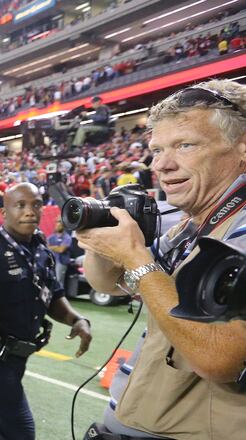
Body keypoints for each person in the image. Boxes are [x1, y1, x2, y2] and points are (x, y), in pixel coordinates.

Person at [78, 79, 246, 439]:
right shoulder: (189, 224)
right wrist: (100, 236)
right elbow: (109, 282)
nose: (162, 165)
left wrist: (136, 258)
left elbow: (217, 358)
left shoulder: (237, 223)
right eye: (157, 149)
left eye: (185, 145)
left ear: (242, 148)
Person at [0, 183, 93, 440]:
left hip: (16, 361)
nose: (29, 212)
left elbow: (53, 295)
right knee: (19, 432)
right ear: (4, 212)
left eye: (35, 205)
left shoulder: (42, 252)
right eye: (20, 205)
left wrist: (76, 319)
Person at [47, 219, 72, 288]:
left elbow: (61, 250)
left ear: (63, 227)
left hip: (61, 262)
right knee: (50, 279)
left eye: (60, 225)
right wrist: (56, 247)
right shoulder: (51, 237)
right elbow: (46, 247)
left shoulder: (67, 237)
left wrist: (51, 247)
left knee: (59, 280)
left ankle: (59, 297)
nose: (57, 226)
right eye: (57, 225)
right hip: (51, 261)